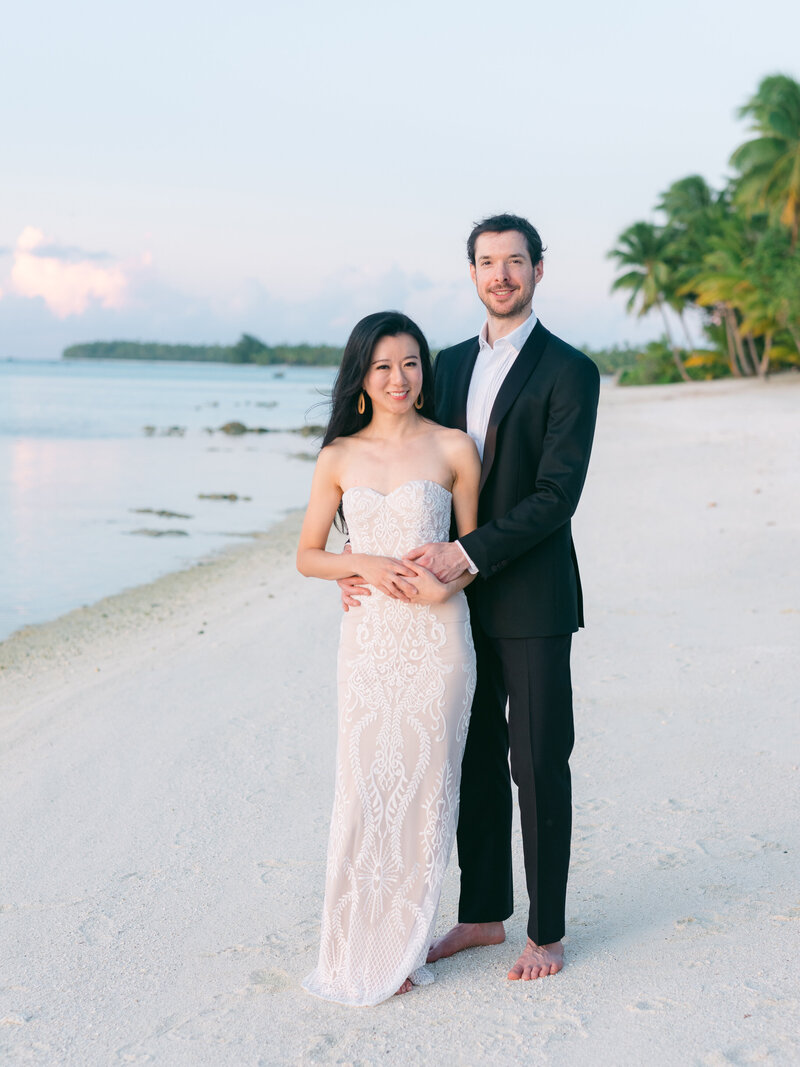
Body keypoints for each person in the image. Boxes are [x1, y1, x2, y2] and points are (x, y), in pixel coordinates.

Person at [339, 214, 600, 981]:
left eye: (515, 261)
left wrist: (467, 551)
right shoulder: (442, 365)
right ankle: (484, 912)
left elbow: (558, 494)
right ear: (473, 274)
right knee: (472, 757)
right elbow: (393, 462)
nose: (501, 275)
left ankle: (546, 931)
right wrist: (359, 562)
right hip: (442, 606)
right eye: (487, 263)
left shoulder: (569, 370)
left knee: (537, 759)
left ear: (538, 271)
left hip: (532, 598)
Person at [296, 310, 481, 1005]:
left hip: (437, 640)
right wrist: (362, 563)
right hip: (369, 641)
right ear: (362, 378)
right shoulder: (339, 455)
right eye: (382, 366)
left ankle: (403, 945)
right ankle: (353, 942)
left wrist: (445, 583)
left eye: (409, 363)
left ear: (423, 372)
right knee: (365, 788)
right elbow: (307, 553)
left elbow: (473, 552)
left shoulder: (454, 447)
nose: (399, 377)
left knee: (424, 795)